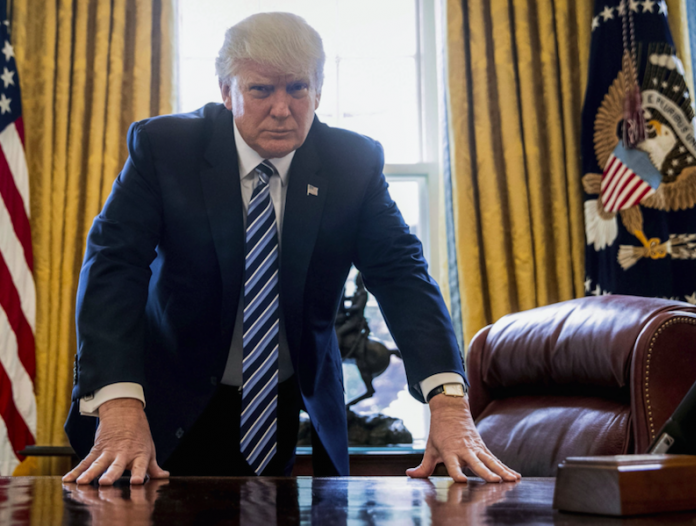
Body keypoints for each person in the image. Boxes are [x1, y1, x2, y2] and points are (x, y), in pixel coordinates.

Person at [63, 12, 520, 486]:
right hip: (159, 406)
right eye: (261, 90)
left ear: (318, 92)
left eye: (297, 89)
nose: (282, 108)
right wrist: (118, 405)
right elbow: (114, 266)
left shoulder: (352, 163)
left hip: (276, 408)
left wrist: (447, 401)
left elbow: (402, 275)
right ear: (226, 91)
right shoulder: (165, 148)